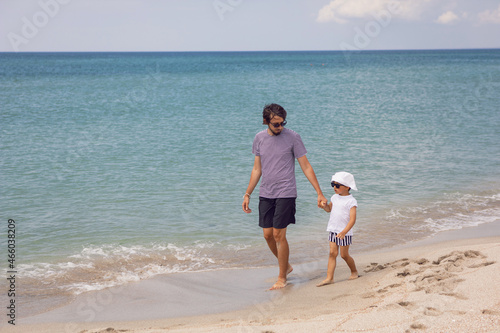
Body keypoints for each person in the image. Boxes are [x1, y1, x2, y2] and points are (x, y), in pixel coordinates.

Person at [242, 103, 327, 290]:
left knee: (278, 234)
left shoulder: (293, 137)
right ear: (266, 122)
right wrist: (247, 193)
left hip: (286, 192)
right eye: (276, 124)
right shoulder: (259, 138)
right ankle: (286, 266)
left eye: (282, 123)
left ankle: (281, 278)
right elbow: (257, 168)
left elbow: (305, 165)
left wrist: (319, 192)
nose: (280, 127)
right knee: (267, 235)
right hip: (266, 192)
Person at [316, 171, 359, 287]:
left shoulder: (351, 201)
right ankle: (329, 278)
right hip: (333, 230)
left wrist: (344, 232)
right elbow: (329, 209)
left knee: (344, 255)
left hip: (344, 232)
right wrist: (324, 206)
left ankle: (354, 271)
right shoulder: (334, 197)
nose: (334, 187)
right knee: (332, 253)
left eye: (337, 185)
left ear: (347, 187)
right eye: (333, 185)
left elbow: (352, 220)